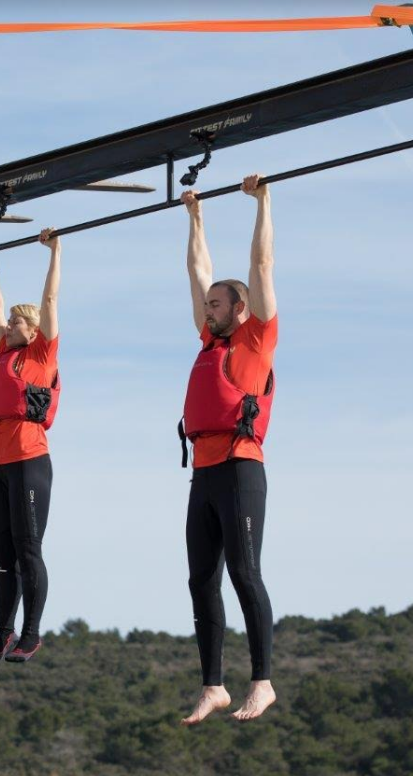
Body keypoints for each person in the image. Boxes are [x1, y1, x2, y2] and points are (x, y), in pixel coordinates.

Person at [179, 175, 278, 724]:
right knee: (200, 580)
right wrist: (194, 216)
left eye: (217, 303)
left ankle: (262, 681)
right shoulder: (209, 341)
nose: (207, 309)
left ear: (239, 309)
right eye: (208, 304)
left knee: (245, 572)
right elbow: (197, 271)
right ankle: (213, 685)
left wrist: (262, 202)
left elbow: (261, 266)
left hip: (242, 469)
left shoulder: (256, 336)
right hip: (204, 472)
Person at [0, 230, 61, 664]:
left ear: (33, 331)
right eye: (9, 323)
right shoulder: (3, 352)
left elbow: (49, 303)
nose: (8, 326)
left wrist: (54, 254)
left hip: (29, 459)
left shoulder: (41, 355)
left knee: (29, 549)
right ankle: (2, 632)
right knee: (2, 552)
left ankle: (31, 633)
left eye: (16, 323)